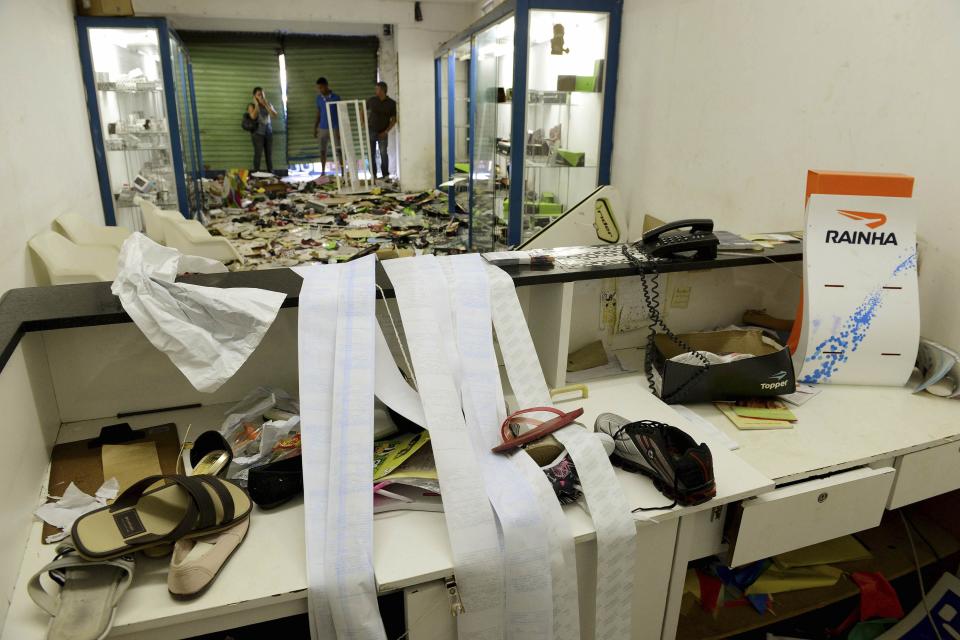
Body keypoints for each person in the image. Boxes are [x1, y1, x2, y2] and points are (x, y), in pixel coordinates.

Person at [365, 81, 397, 181]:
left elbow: (394, 119)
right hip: (371, 130)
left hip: (383, 132)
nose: (375, 91)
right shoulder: (372, 100)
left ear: (382, 90)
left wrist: (386, 131)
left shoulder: (391, 103)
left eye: (377, 89)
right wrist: (363, 123)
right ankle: (373, 175)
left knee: (383, 153)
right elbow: (362, 110)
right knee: (371, 153)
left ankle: (385, 175)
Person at [313, 77, 342, 175]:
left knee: (339, 150)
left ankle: (343, 172)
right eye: (318, 88)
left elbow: (340, 114)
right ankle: (323, 171)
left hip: (334, 128)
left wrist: (339, 129)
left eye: (321, 87)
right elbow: (318, 113)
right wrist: (315, 127)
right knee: (322, 151)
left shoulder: (336, 97)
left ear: (326, 86)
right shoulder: (318, 98)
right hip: (322, 128)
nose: (319, 90)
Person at [247, 87, 278, 172]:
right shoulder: (251, 105)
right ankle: (256, 174)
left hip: (268, 133)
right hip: (257, 134)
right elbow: (253, 116)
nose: (261, 96)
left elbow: (274, 115)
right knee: (258, 155)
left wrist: (265, 105)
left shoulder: (268, 103)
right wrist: (257, 104)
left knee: (269, 155)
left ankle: (271, 173)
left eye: (262, 94)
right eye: (259, 94)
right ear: (254, 96)